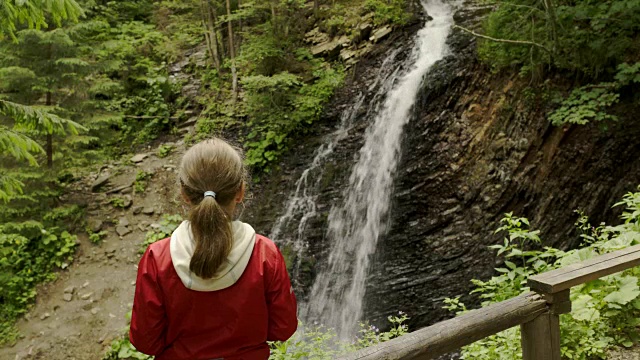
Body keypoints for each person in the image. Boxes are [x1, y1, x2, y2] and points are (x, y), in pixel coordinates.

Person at [129, 138, 298, 360]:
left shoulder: (157, 258)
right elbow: (282, 328)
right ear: (241, 192)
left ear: (184, 194)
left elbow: (145, 341)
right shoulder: (265, 255)